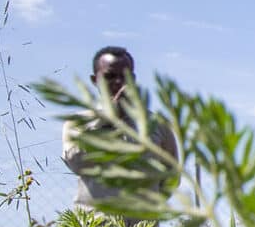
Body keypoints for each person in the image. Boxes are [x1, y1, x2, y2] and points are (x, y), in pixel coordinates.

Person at [62, 46, 179, 210]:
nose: (118, 82)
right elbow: (77, 163)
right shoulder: (78, 123)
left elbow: (171, 177)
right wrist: (109, 118)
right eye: (110, 76)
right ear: (95, 80)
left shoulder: (157, 125)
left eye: (125, 76)